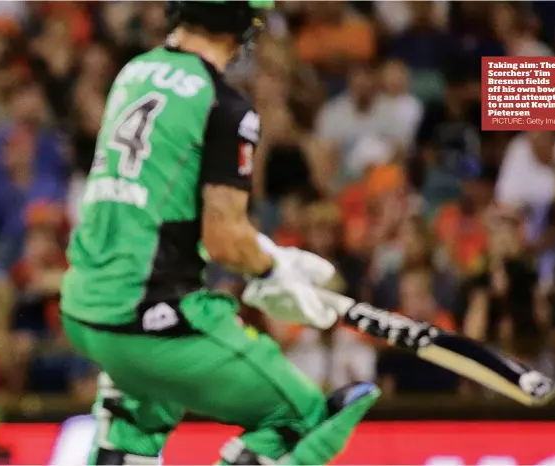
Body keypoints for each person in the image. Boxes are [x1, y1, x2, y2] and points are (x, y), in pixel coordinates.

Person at [59, 2, 379, 465]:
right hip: (149, 323)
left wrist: (268, 257)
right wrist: (271, 270)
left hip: (85, 308)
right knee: (305, 420)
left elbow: (164, 201)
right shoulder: (225, 107)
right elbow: (224, 239)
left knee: (138, 423)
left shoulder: (135, 71)